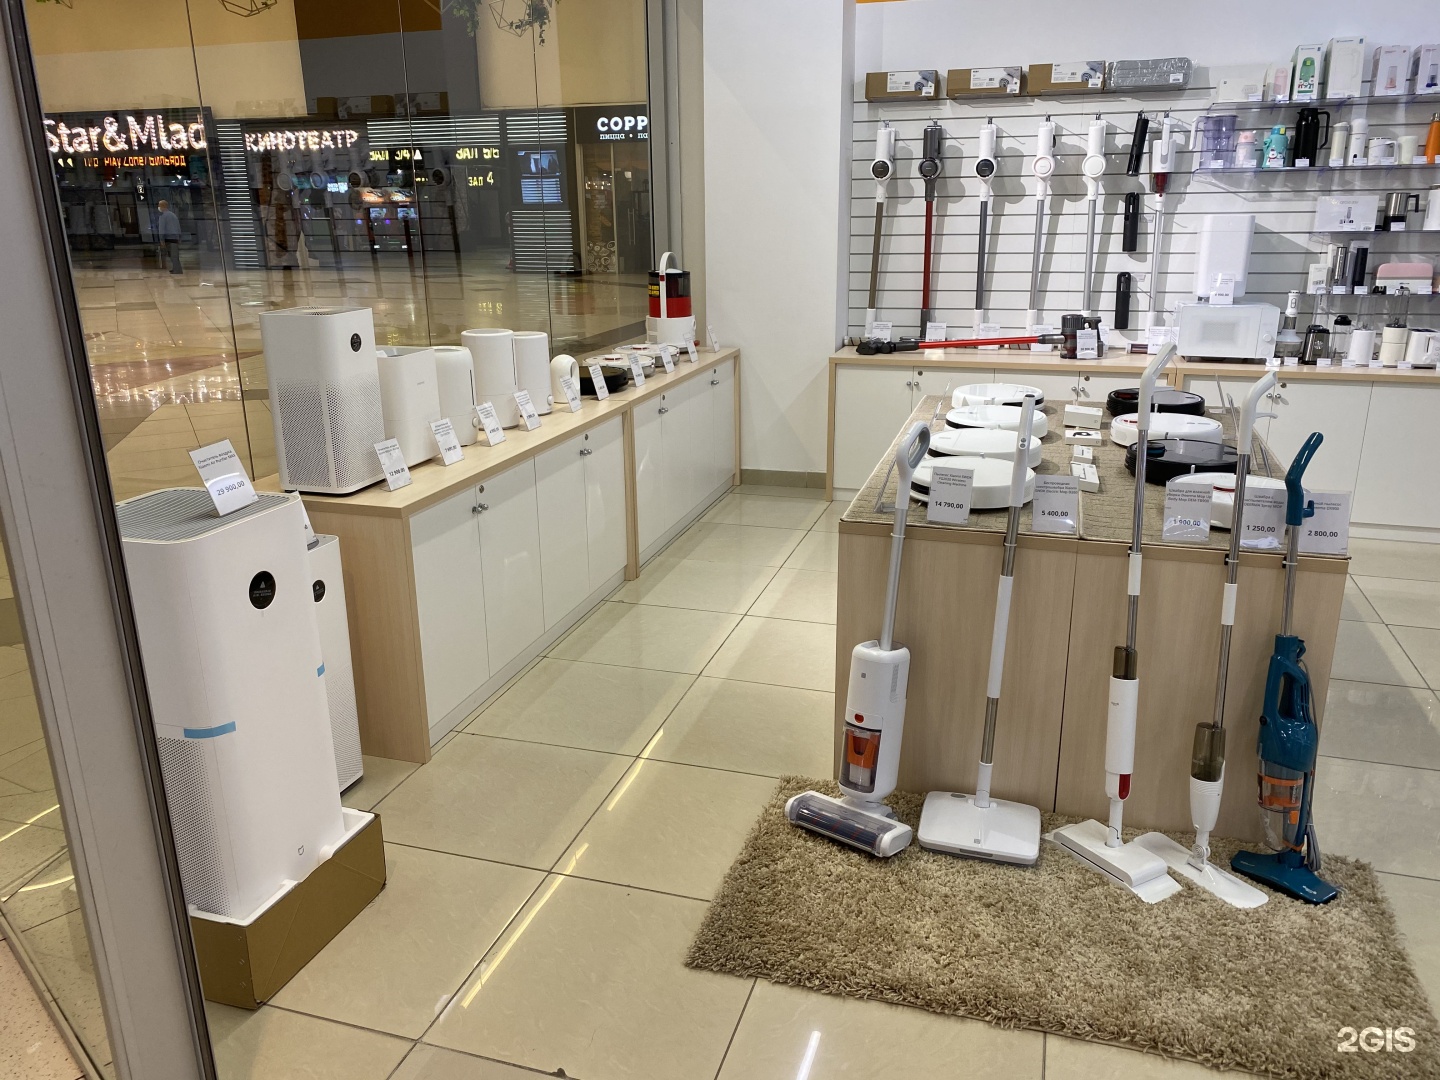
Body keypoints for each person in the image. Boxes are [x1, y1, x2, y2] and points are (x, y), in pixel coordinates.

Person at [156, 199, 182, 274]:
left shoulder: (163, 216)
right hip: (175, 238)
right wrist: (179, 238)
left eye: (159, 205)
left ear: (162, 206)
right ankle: (177, 268)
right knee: (175, 255)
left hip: (168, 238)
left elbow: (161, 229)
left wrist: (161, 240)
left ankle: (177, 270)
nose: (158, 207)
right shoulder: (173, 215)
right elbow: (178, 227)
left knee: (172, 255)